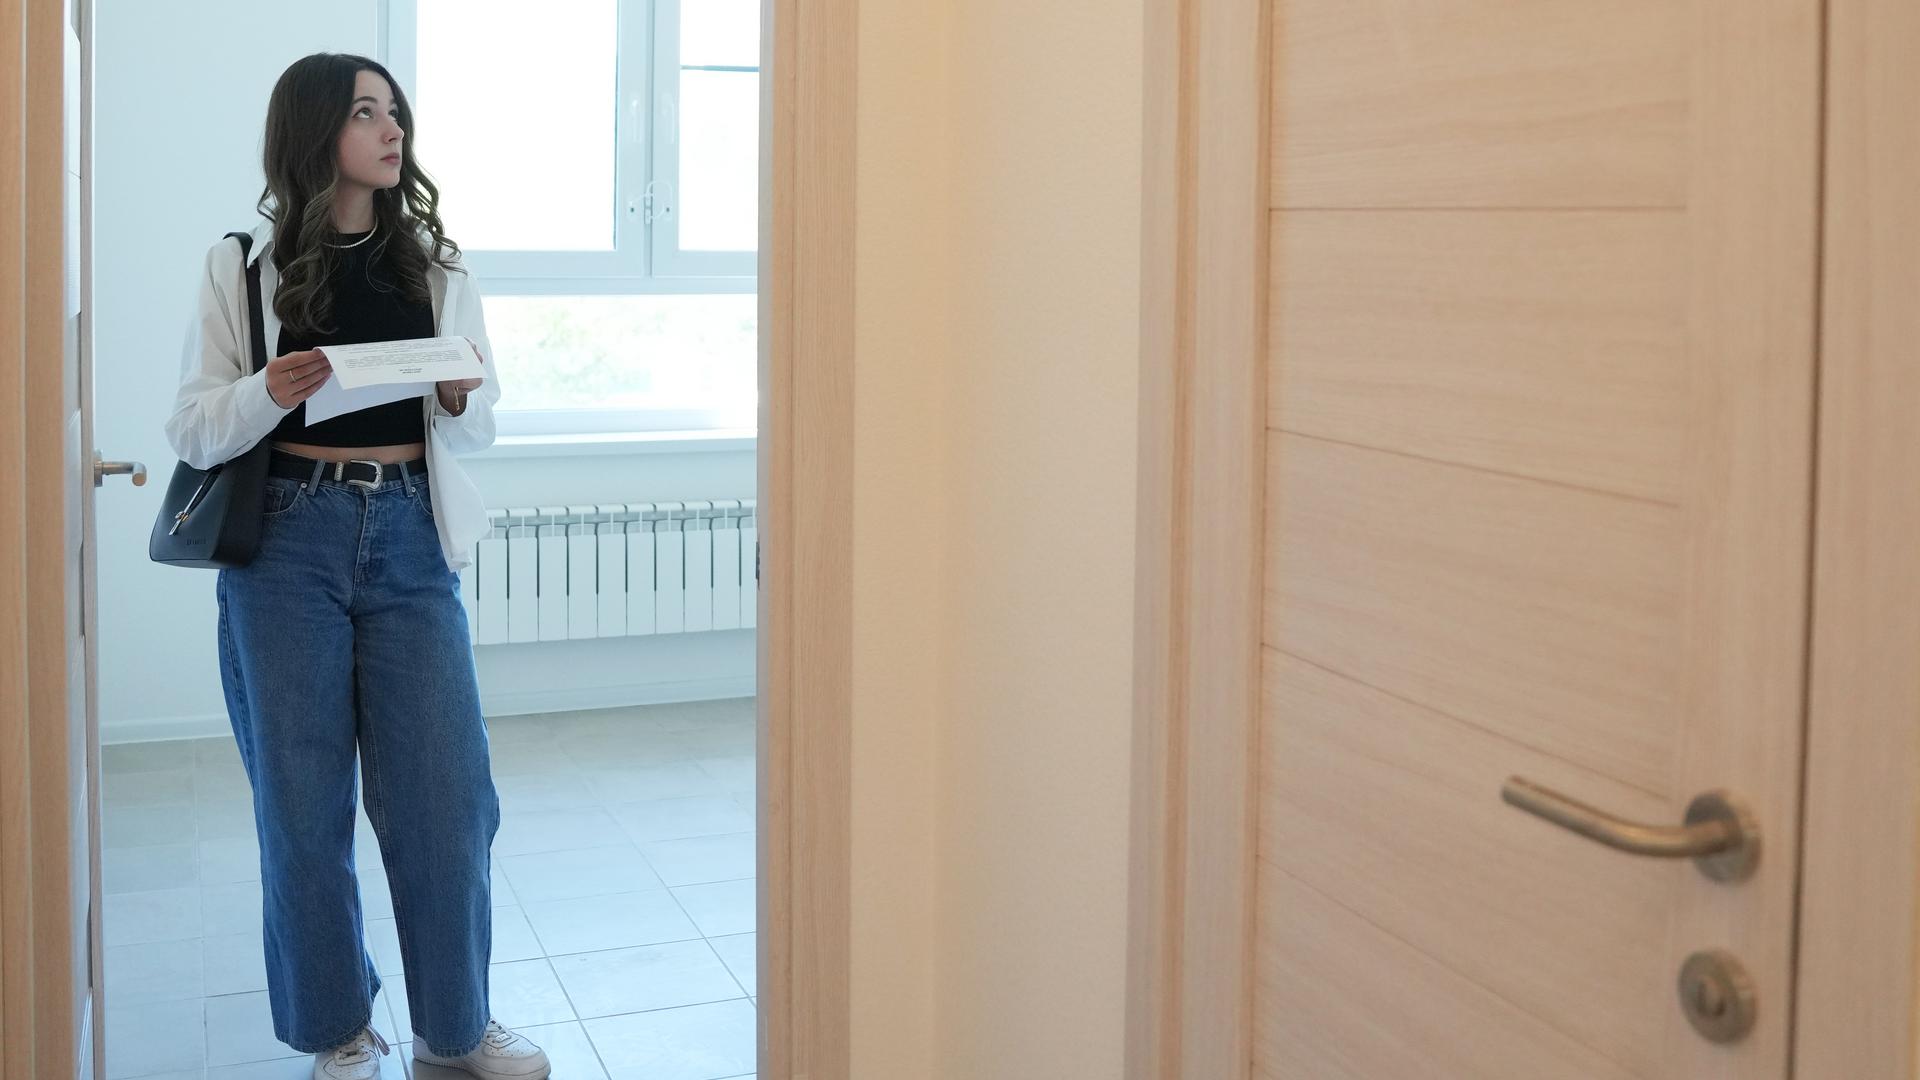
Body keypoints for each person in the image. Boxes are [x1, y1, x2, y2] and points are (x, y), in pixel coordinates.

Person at [163, 52, 547, 1080]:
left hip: (411, 531)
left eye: (395, 113)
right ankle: (339, 1030)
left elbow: (478, 424)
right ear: (314, 131)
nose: (391, 131)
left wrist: (461, 399)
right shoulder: (241, 264)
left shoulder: (437, 264)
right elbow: (193, 427)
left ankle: (457, 1028)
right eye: (366, 112)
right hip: (285, 540)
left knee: (449, 799)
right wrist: (269, 391)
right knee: (302, 805)